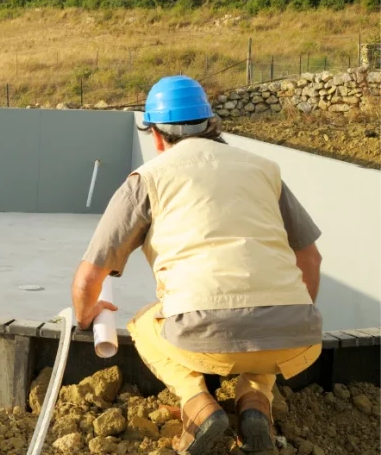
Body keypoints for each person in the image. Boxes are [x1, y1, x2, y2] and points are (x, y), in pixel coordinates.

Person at [70, 75, 323, 454]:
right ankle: (256, 402)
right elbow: (310, 257)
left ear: (155, 135)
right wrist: (293, 312)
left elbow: (90, 276)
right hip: (298, 338)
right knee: (264, 334)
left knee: (143, 323)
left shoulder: (148, 179)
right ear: (210, 124)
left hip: (202, 335)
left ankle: (198, 405)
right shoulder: (264, 168)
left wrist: (86, 314)